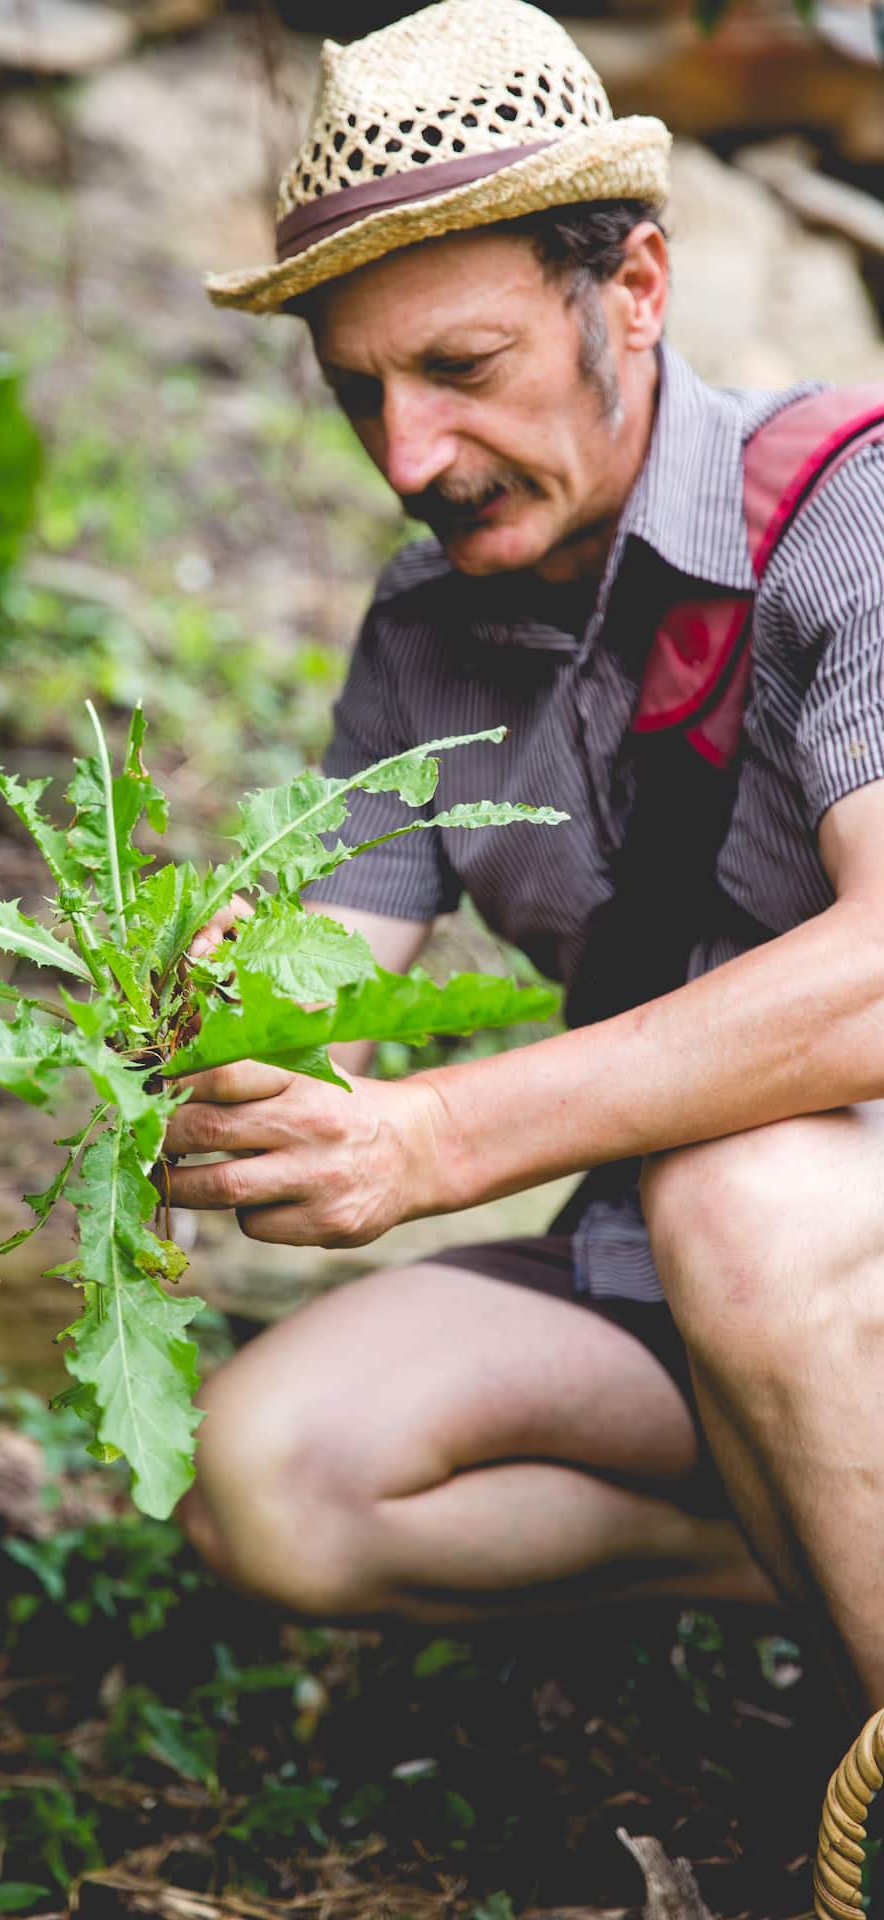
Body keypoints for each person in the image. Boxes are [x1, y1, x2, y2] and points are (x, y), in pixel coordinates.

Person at [161, 0, 884, 1719]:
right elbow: (306, 1002)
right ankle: (812, 1539)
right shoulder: (425, 640)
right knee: (278, 1476)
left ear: (633, 288)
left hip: (808, 1244)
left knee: (741, 1199)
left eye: (460, 371)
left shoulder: (855, 514)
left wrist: (436, 1135)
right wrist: (211, 1050)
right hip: (695, 1301)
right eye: (363, 395)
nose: (408, 457)